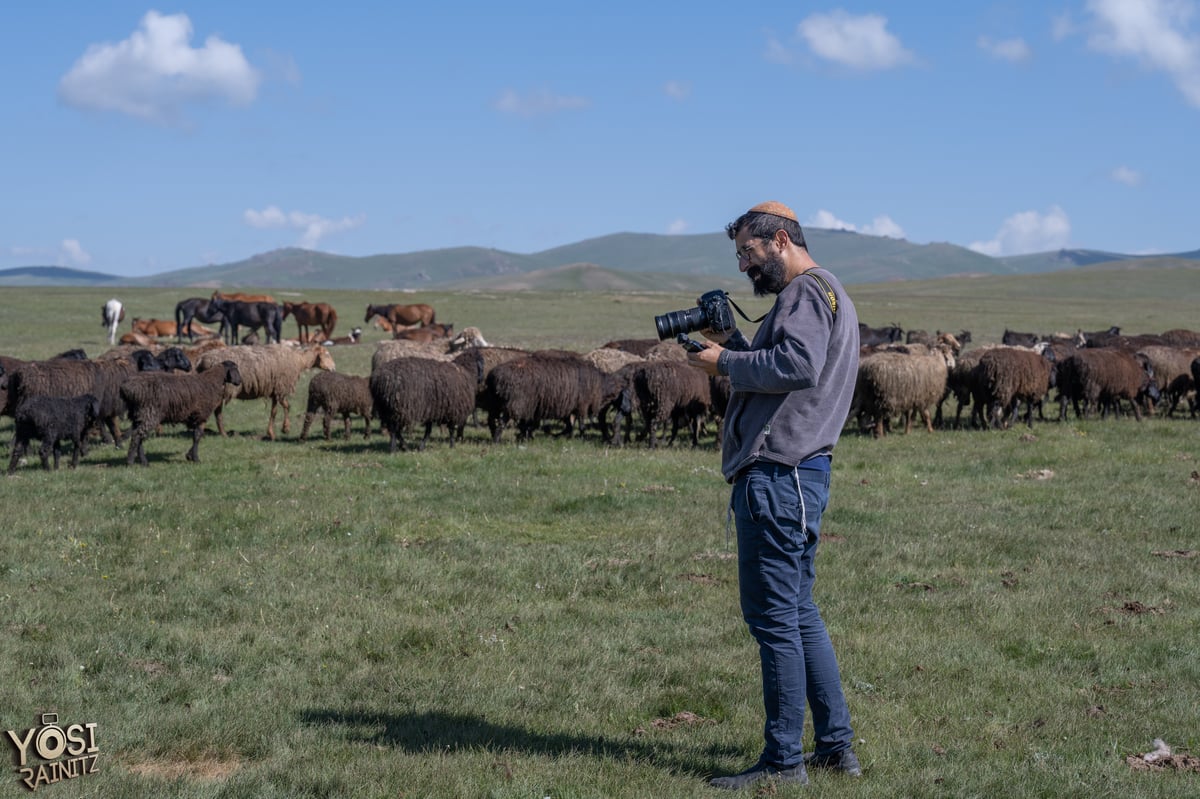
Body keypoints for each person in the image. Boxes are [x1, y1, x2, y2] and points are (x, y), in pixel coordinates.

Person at [687, 201, 862, 790]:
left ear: (780, 240)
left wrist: (726, 361)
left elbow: (798, 363)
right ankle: (836, 749)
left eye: (747, 252)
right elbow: (784, 363)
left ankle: (784, 763)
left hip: (779, 475)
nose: (742, 267)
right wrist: (733, 342)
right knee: (799, 612)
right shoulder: (827, 292)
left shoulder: (807, 292)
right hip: (800, 474)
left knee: (774, 620)